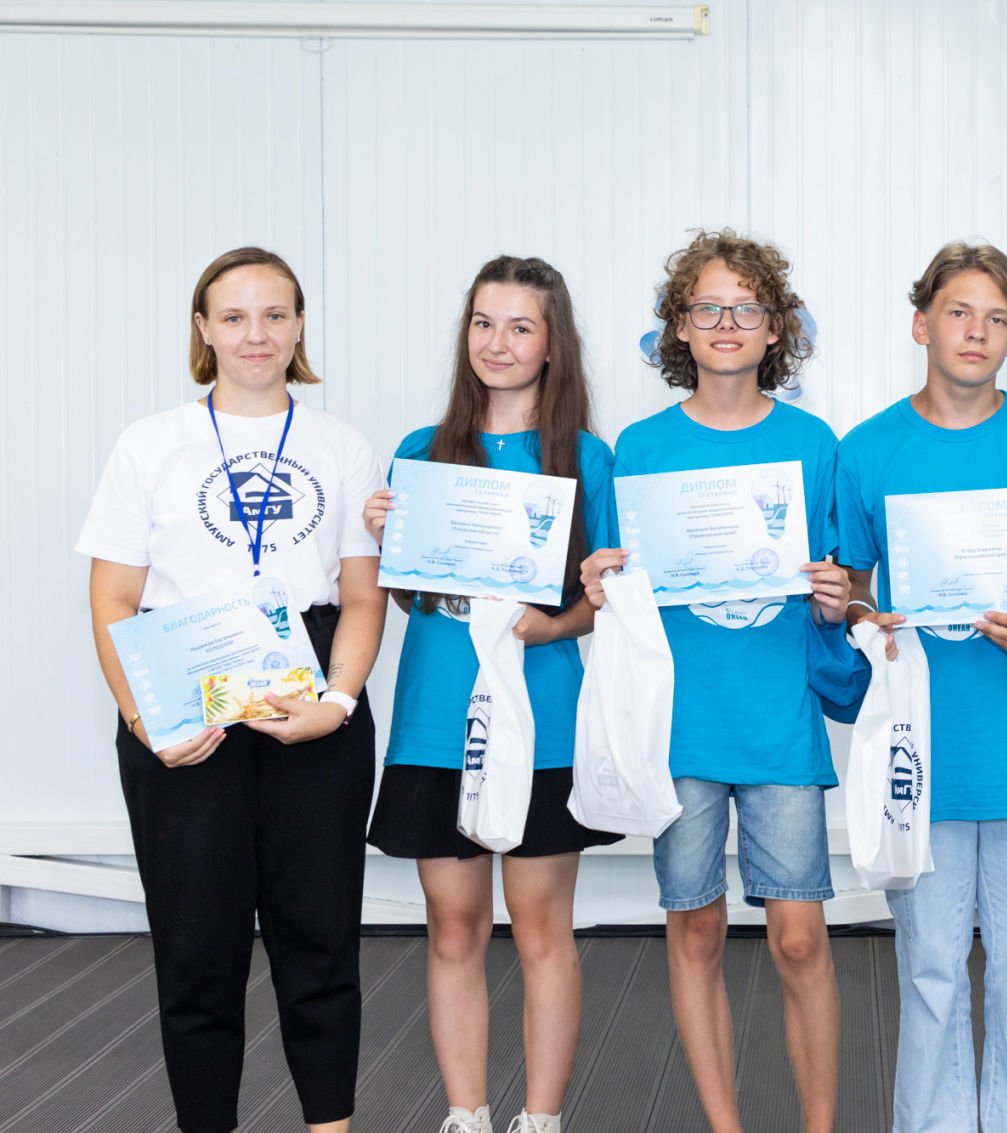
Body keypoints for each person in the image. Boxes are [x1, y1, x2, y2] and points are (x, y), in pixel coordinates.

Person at [79, 247, 386, 1133]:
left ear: (300, 326)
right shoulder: (149, 443)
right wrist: (144, 720)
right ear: (204, 329)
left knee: (320, 941)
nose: (258, 334)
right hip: (182, 689)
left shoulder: (341, 444)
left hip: (310, 686)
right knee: (195, 951)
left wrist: (337, 703)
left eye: (276, 314)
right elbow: (112, 598)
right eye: (236, 316)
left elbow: (364, 597)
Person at [578, 229, 846, 1133]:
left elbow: (843, 577)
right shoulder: (640, 448)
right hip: (680, 724)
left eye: (745, 308)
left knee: (799, 939)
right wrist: (599, 585)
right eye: (707, 307)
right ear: (679, 328)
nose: (726, 323)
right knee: (694, 927)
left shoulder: (813, 443)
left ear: (775, 329)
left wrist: (837, 594)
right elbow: (620, 586)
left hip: (778, 718)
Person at [838, 241, 1007, 1131]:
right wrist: (865, 617)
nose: (977, 331)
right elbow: (855, 586)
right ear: (922, 324)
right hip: (923, 753)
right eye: (959, 312)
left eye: (998, 319)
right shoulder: (868, 450)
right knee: (929, 971)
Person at [363, 255, 621, 1133]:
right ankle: (465, 1113)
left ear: (552, 344)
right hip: (437, 719)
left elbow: (601, 596)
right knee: (453, 927)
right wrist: (388, 543)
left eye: (520, 326)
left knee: (542, 929)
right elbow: (414, 598)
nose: (497, 343)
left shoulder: (586, 457)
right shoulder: (418, 451)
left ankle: (540, 1118)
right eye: (483, 323)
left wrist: (554, 625)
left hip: (542, 718)